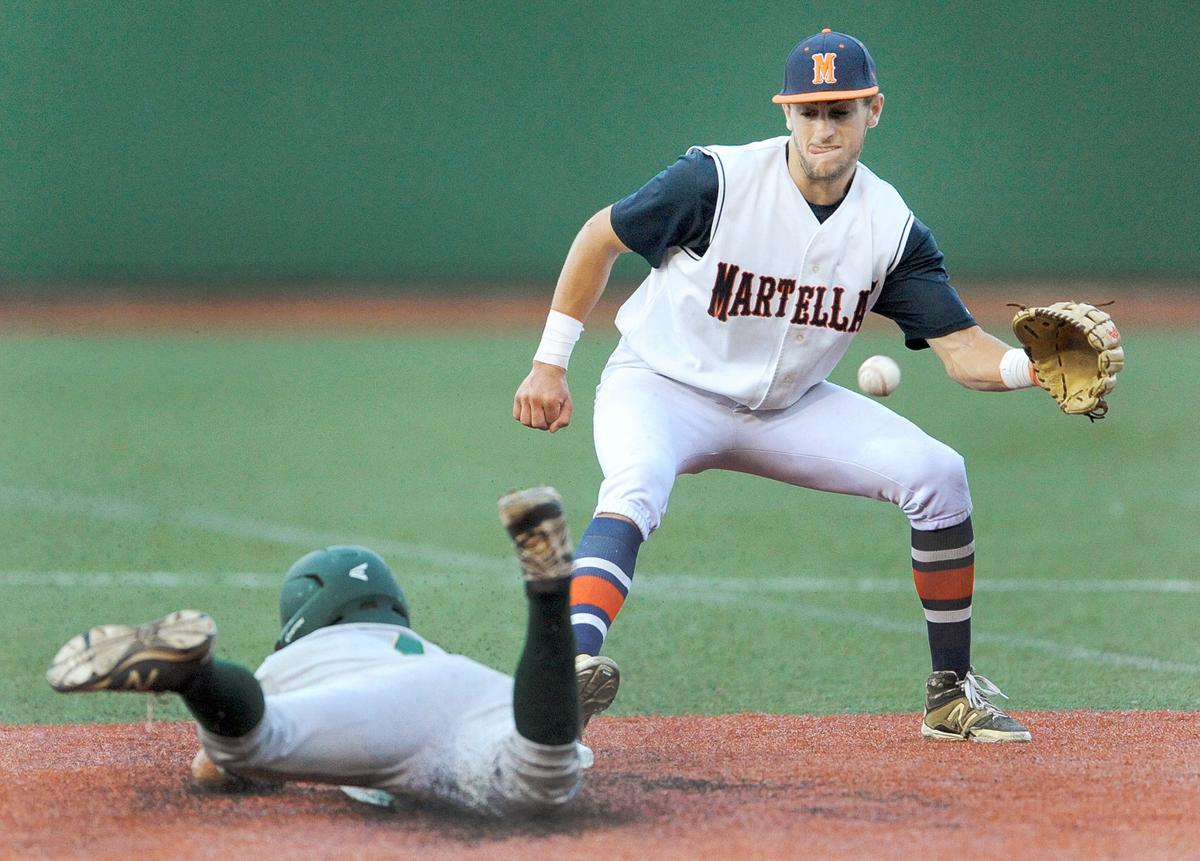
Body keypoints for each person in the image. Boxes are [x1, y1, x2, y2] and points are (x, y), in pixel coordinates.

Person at [513, 29, 1037, 742]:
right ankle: (569, 665)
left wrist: (1030, 369)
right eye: (809, 110)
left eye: (841, 110)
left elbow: (964, 350)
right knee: (635, 484)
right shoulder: (714, 182)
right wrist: (551, 361)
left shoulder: (890, 230)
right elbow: (599, 237)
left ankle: (950, 694)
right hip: (662, 385)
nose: (823, 126)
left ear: (873, 110)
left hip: (787, 408)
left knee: (939, 474)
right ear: (784, 112)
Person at [47, 486, 606, 814]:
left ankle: (196, 676)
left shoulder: (291, 663)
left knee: (248, 744)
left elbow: (215, 771)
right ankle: (551, 595)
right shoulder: (419, 647)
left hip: (376, 713)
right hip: (483, 692)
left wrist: (224, 752)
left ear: (302, 613)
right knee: (544, 769)